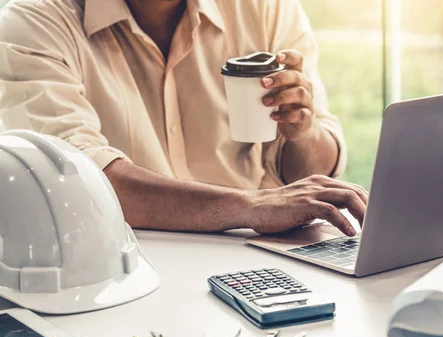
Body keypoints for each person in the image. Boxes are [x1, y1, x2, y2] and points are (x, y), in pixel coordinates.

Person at [0, 0, 368, 236]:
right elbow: (79, 181)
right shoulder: (32, 23)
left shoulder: (266, 7)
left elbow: (305, 175)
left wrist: (303, 134)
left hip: (258, 250)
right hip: (125, 265)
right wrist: (254, 206)